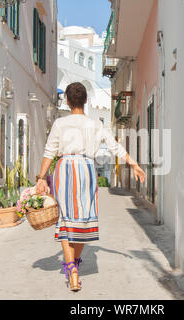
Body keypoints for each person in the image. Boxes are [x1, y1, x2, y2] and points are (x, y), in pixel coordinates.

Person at [35, 82, 146, 292]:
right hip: (86, 169)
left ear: (67, 102)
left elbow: (49, 151)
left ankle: (71, 270)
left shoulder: (60, 124)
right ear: (86, 101)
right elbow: (114, 146)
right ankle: (74, 265)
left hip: (65, 167)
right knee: (84, 219)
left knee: (66, 219)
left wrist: (41, 178)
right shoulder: (95, 125)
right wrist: (134, 164)